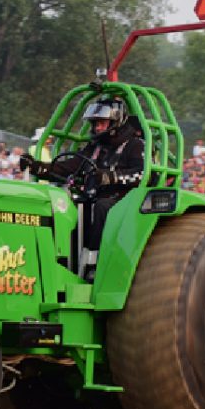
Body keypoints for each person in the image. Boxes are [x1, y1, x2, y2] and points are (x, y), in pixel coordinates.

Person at [20, 97, 144, 281]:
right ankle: (62, 262)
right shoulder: (95, 147)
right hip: (94, 198)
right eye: (95, 124)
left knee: (101, 207)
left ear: (116, 121)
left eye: (101, 123)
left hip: (125, 199)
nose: (97, 128)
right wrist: (39, 167)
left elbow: (142, 174)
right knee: (69, 205)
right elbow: (70, 166)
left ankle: (93, 266)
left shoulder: (135, 145)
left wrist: (111, 177)